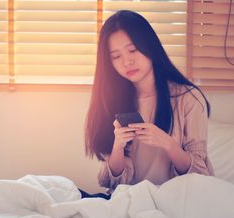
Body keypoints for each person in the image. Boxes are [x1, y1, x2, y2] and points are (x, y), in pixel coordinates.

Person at [83, 10, 214, 199]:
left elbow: (200, 174)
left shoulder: (188, 98)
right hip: (129, 201)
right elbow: (112, 183)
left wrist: (168, 144)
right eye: (116, 56)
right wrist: (118, 146)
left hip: (177, 201)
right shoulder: (112, 100)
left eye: (133, 50)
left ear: (149, 46)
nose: (127, 61)